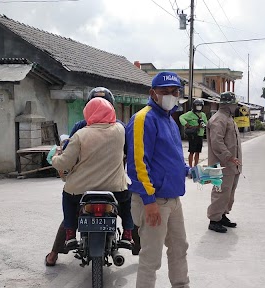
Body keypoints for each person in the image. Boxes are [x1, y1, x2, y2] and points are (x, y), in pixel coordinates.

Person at [44, 96, 132, 266]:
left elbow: (65, 162)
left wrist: (55, 158)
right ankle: (128, 232)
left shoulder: (80, 133)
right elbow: (130, 152)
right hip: (114, 189)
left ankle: (70, 234)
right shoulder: (121, 130)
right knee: (127, 200)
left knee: (68, 198)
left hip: (81, 191)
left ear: (88, 113)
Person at [126, 71, 191, 288]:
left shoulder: (170, 119)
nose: (171, 96)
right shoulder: (144, 118)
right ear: (153, 93)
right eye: (165, 92)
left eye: (175, 92)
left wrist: (189, 171)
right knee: (151, 258)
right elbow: (138, 164)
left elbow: (171, 157)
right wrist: (149, 201)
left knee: (180, 248)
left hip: (173, 200)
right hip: (154, 201)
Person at [206, 91, 242, 233]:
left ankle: (222, 215)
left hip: (232, 165)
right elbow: (217, 142)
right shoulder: (219, 119)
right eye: (234, 104)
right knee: (220, 192)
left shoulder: (228, 118)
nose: (235, 107)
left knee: (229, 192)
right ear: (228, 105)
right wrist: (228, 156)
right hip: (222, 165)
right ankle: (214, 219)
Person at [179, 99, 208, 167]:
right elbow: (181, 117)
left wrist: (204, 125)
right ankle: (190, 167)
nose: (199, 107)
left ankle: (196, 166)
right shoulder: (190, 114)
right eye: (197, 106)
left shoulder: (203, 114)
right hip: (193, 135)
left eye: (200, 106)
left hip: (200, 135)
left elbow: (206, 123)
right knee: (192, 152)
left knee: (198, 152)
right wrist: (187, 125)